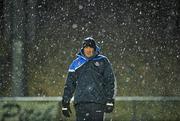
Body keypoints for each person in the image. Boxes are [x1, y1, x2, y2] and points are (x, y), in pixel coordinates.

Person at [61, 37, 116, 121]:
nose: (88, 50)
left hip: (98, 103)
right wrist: (65, 103)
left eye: (91, 47)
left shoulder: (103, 61)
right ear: (83, 49)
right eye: (86, 47)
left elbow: (109, 81)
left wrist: (110, 100)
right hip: (81, 103)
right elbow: (69, 84)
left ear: (94, 48)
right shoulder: (76, 63)